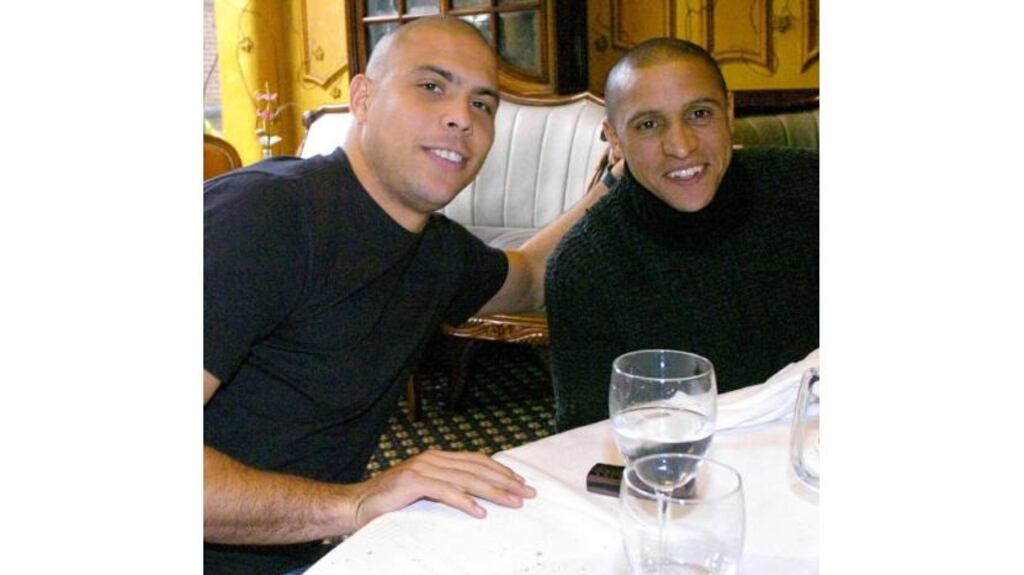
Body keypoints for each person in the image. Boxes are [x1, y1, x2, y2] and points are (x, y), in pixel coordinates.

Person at [204, 17, 608, 574]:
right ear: (364, 99)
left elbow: (535, 275)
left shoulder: (435, 254)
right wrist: (355, 503)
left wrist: (614, 179)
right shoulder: (262, 218)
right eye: (432, 86)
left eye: (483, 104)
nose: (460, 118)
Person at [545, 38, 818, 432]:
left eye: (699, 114)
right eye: (649, 125)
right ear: (615, 139)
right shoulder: (585, 266)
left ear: (729, 111)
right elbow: (585, 440)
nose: (681, 146)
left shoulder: (809, 190)